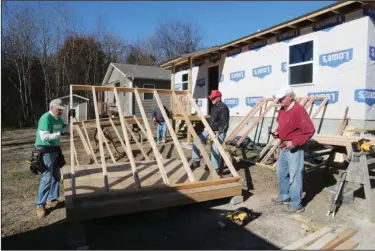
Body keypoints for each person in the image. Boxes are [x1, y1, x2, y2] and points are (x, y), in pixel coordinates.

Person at [270, 86, 315, 214]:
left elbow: (309, 130)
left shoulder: (298, 110)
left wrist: (295, 142)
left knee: (294, 176)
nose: (280, 101)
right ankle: (284, 197)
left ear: (291, 96)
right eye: (280, 98)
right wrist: (277, 132)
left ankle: (296, 205)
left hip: (295, 148)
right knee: (281, 173)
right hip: (284, 146)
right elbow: (282, 125)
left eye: (283, 98)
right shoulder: (283, 110)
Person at [34, 99, 67, 218]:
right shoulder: (45, 118)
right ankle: (40, 205)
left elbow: (65, 128)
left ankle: (53, 199)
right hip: (45, 150)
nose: (60, 112)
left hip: (55, 149)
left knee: (56, 176)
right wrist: (59, 134)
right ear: (52, 108)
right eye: (59, 110)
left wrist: (72, 120)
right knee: (47, 177)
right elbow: (44, 137)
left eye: (62, 110)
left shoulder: (58, 118)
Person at [190, 90, 230, 176]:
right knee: (196, 141)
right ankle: (196, 161)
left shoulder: (223, 108)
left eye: (213, 98)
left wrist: (218, 133)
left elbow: (225, 123)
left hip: (219, 131)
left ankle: (216, 169)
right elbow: (213, 119)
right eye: (211, 97)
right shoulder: (213, 107)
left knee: (215, 149)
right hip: (210, 129)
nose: (211, 99)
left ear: (219, 97)